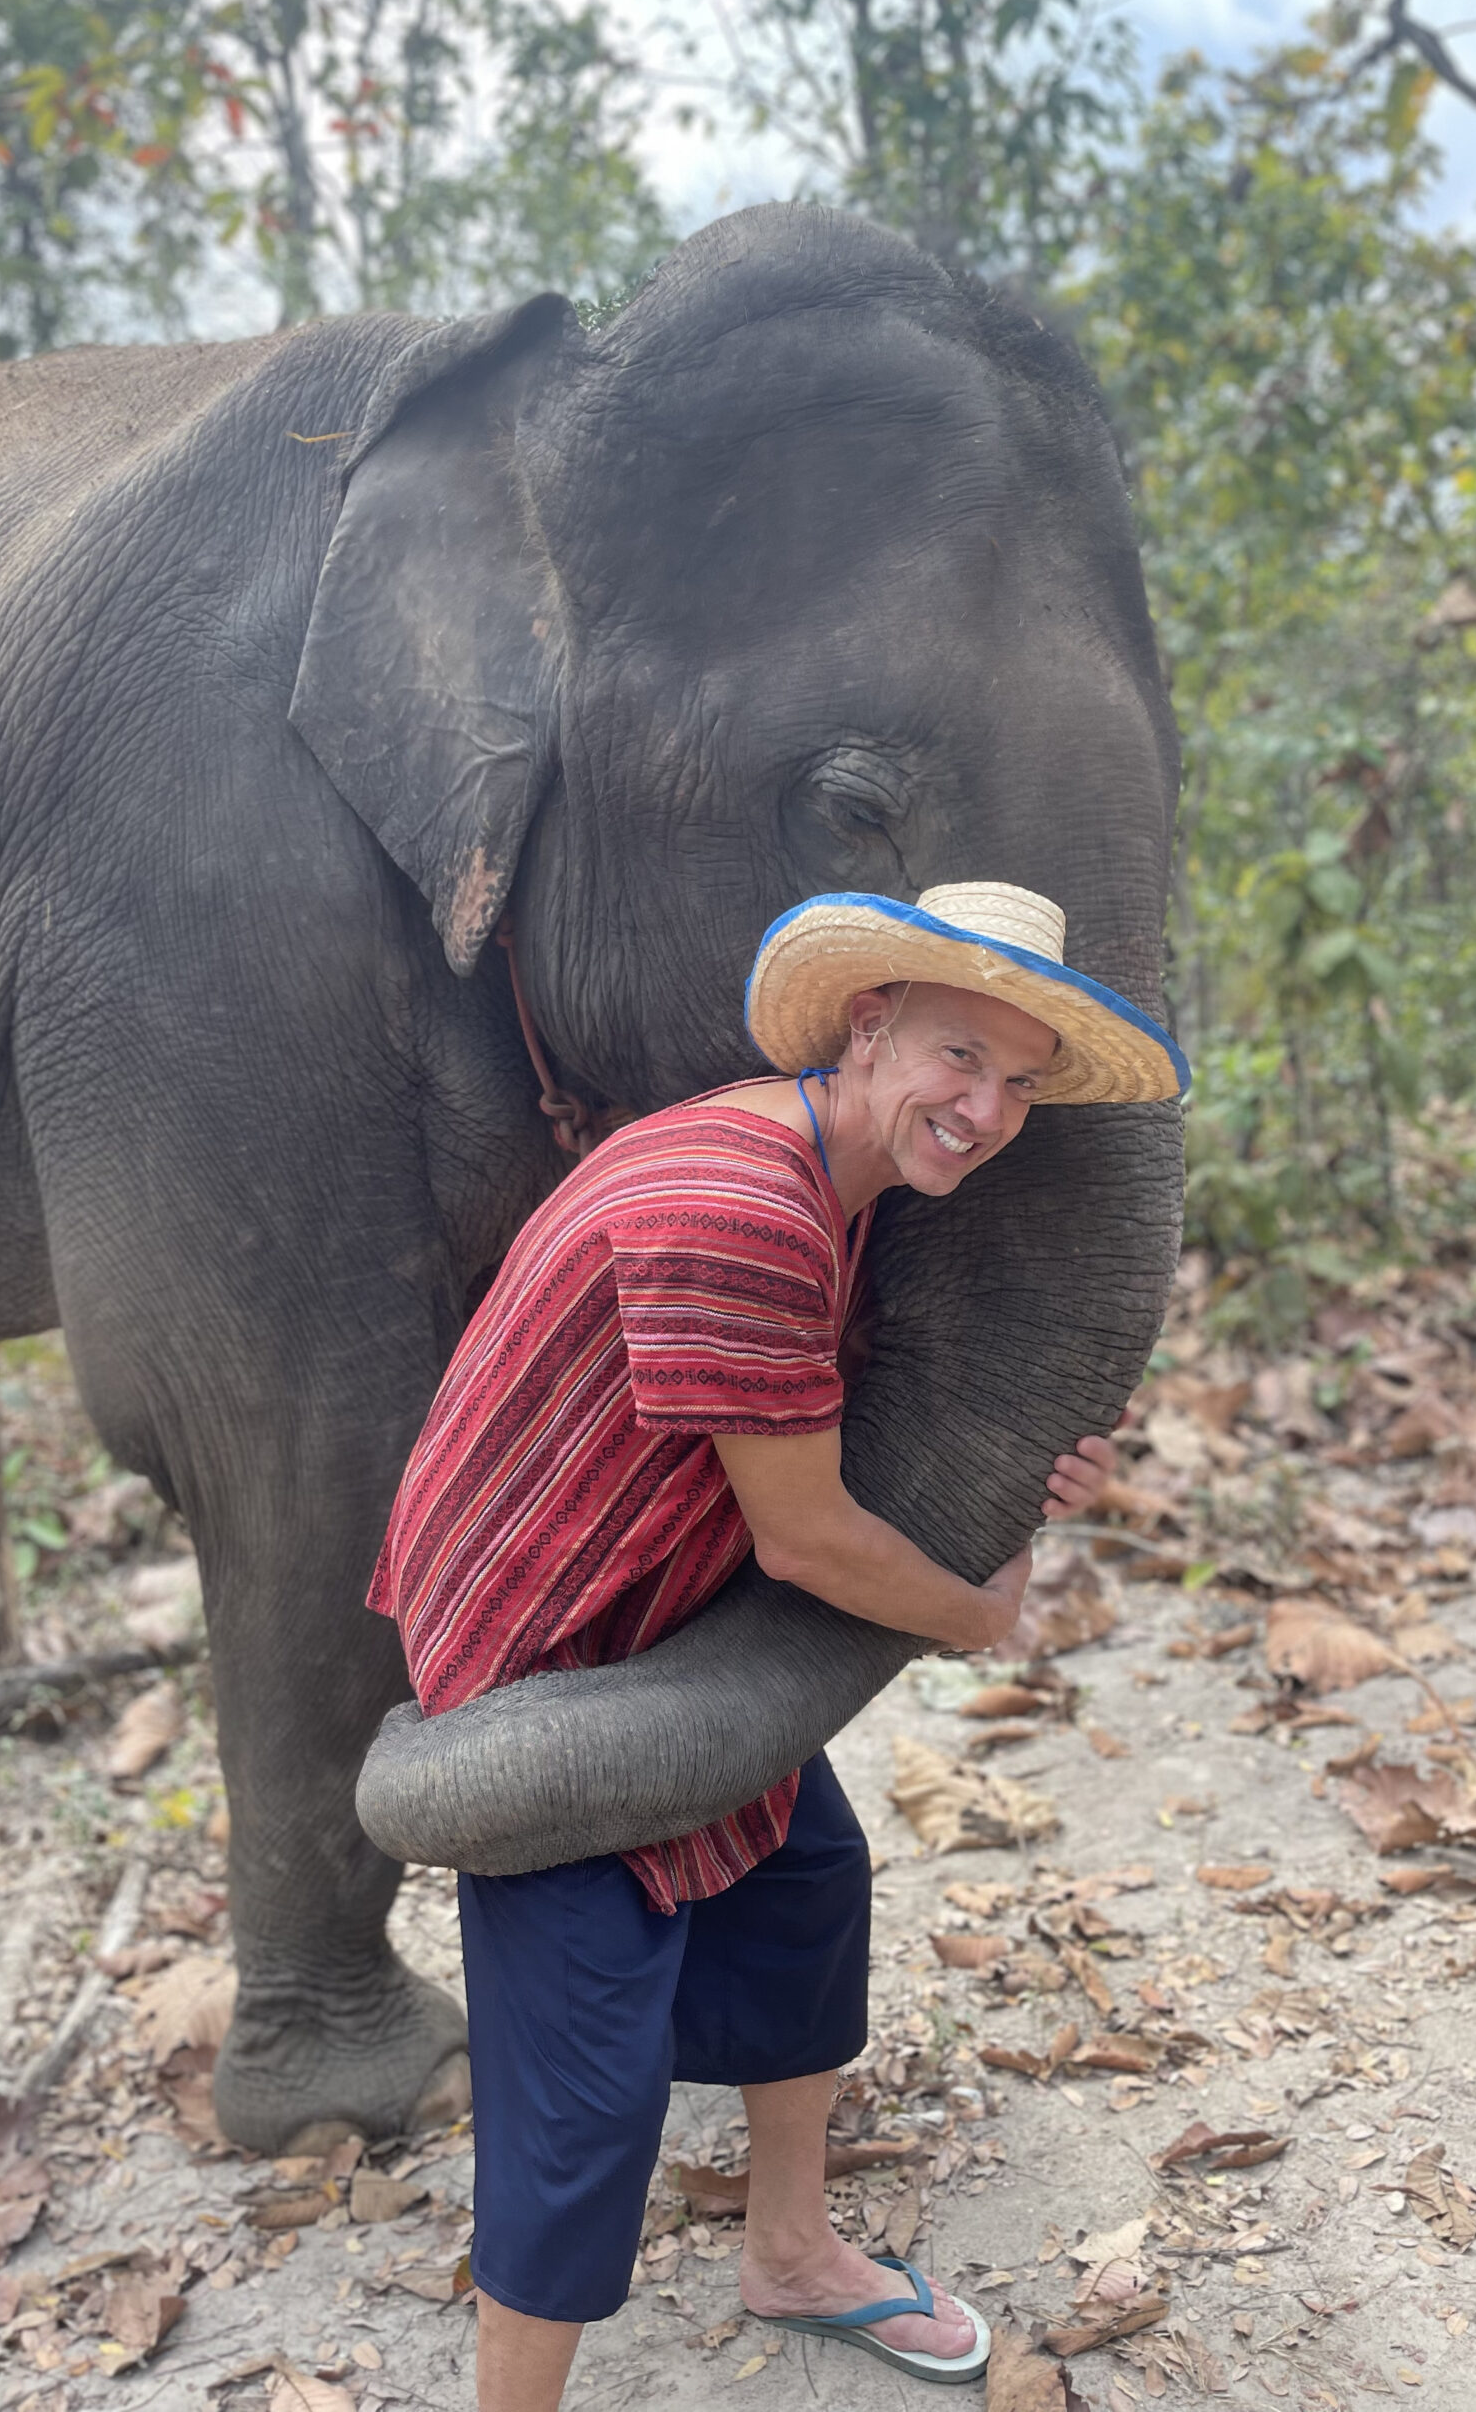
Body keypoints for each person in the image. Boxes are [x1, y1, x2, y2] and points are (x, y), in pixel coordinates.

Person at [369, 881, 1189, 2406]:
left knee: (804, 1876)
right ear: (868, 1023)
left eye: (1017, 1083)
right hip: (549, 1655)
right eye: (960, 1056)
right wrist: (982, 1612)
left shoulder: (829, 1171)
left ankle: (793, 2250)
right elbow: (803, 1538)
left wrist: (1023, 1480)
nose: (986, 1108)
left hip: (658, 1604)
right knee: (582, 2083)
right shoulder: (744, 1208)